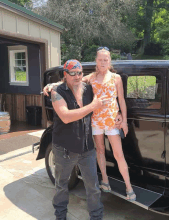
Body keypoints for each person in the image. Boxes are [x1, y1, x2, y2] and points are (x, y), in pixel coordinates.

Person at [44, 48, 136, 201]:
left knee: (118, 154)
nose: (103, 62)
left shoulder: (116, 78)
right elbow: (72, 79)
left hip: (112, 121)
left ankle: (129, 186)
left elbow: (122, 100)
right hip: (96, 120)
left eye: (106, 59)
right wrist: (53, 85)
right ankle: (105, 181)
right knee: (99, 150)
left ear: (109, 61)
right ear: (96, 60)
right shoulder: (91, 77)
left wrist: (124, 120)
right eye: (100, 59)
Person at [50, 59, 108, 220]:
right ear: (65, 75)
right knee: (61, 185)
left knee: (93, 186)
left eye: (79, 73)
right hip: (65, 148)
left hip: (87, 147)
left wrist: (118, 116)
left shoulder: (88, 89)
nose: (76, 76)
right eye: (72, 73)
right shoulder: (57, 92)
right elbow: (66, 117)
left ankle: (96, 217)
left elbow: (109, 96)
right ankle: (60, 216)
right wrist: (92, 107)